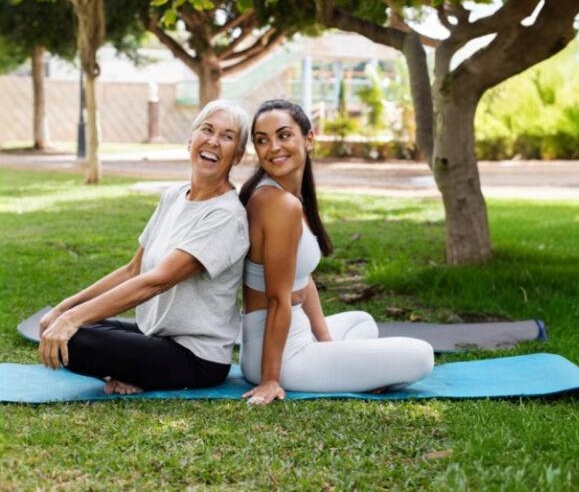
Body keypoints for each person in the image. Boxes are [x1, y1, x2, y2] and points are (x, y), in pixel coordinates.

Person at [37, 100, 250, 394]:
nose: (213, 141)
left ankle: (140, 373)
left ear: (237, 155)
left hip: (195, 356)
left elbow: (155, 281)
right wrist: (64, 309)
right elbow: (132, 270)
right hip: (155, 334)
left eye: (228, 137)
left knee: (74, 338)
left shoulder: (226, 217)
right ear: (191, 139)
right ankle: (134, 372)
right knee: (65, 328)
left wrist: (71, 319)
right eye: (207, 130)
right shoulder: (174, 196)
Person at [239, 99, 434, 404]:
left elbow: (303, 279)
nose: (273, 147)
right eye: (262, 140)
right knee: (422, 356)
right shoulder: (277, 203)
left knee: (362, 321)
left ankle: (340, 362)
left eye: (283, 135)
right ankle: (340, 368)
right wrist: (270, 379)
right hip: (281, 354)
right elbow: (278, 299)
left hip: (285, 336)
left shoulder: (289, 195)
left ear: (309, 139)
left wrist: (327, 343)